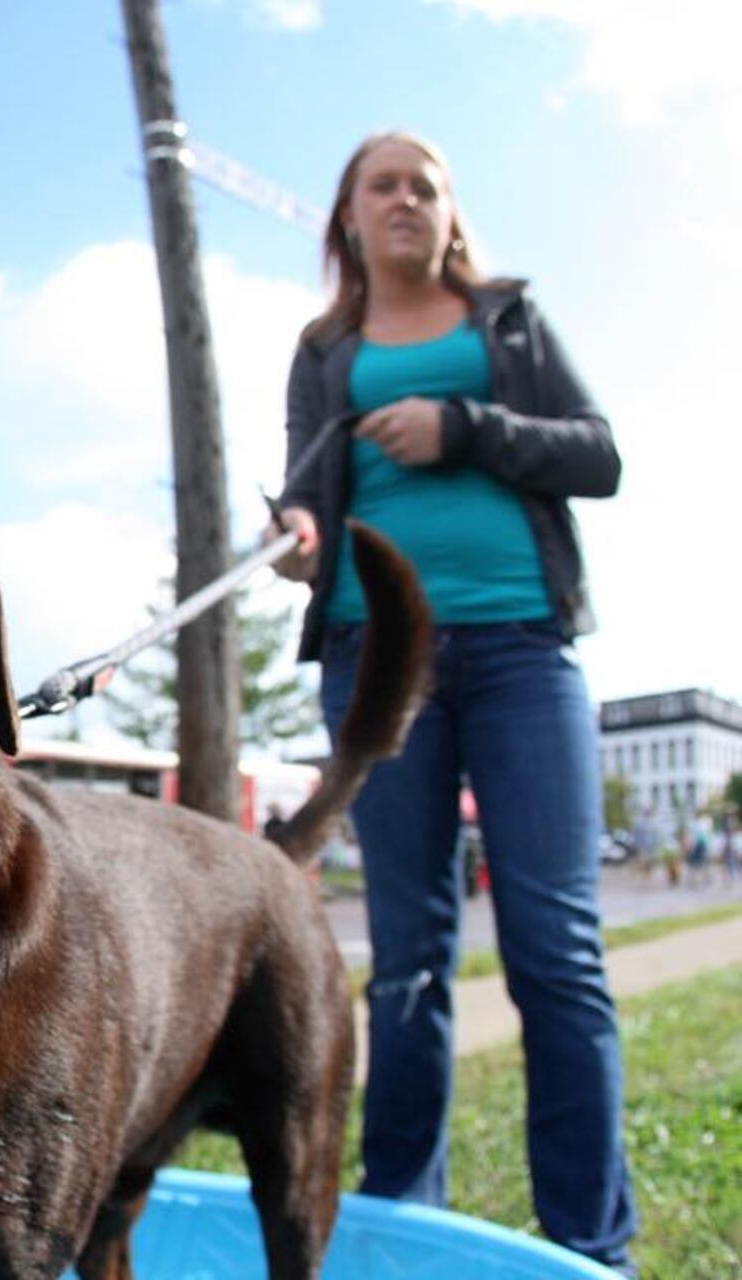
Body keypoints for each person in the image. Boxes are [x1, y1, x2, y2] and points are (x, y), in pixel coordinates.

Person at [268, 132, 636, 1272]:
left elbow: (599, 455)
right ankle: (401, 1220)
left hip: (523, 647)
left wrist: (461, 427)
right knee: (412, 953)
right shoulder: (322, 350)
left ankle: (589, 1239)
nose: (404, 199)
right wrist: (295, 538)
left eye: (423, 185)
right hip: (375, 663)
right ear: (347, 214)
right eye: (382, 183)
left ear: (448, 213)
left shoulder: (507, 322)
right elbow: (303, 491)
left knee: (554, 948)